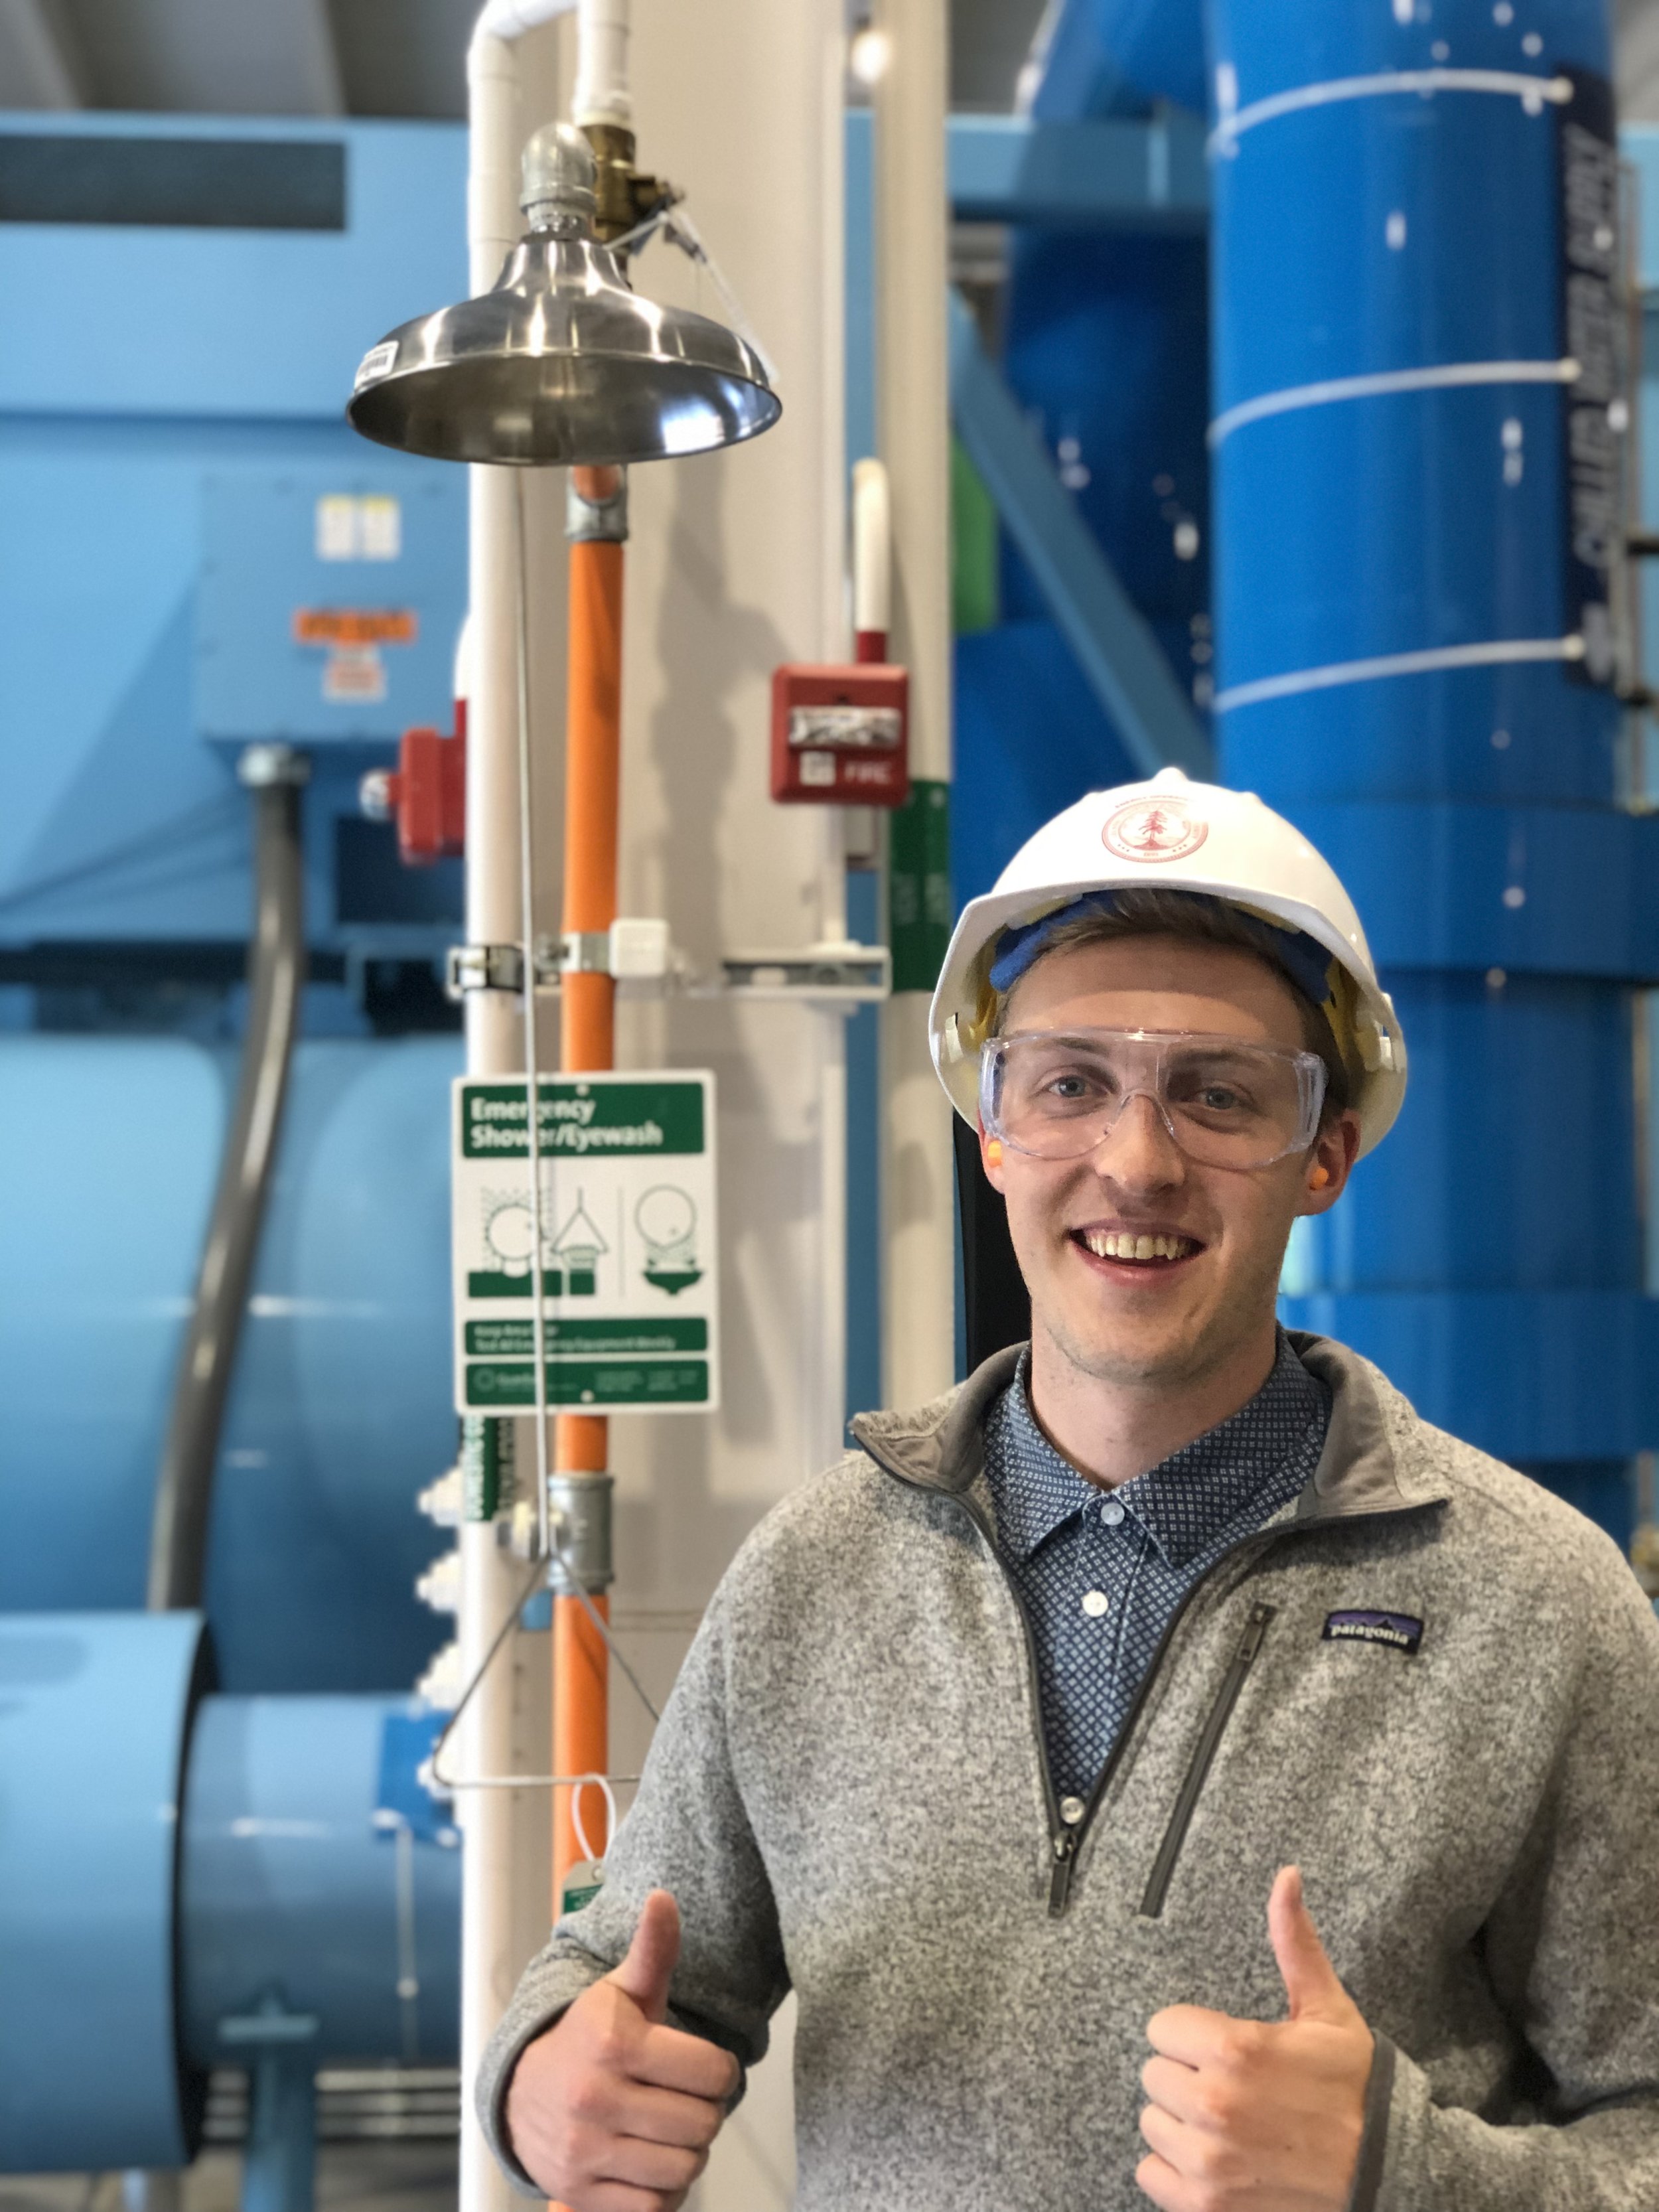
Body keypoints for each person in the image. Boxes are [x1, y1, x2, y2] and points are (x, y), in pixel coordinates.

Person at [478, 770, 1659, 2211]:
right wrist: (540, 2076)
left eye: (1218, 1095)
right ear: (990, 1132)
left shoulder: (1537, 1608)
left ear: (1324, 1157)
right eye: (1067, 1084)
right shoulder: (818, 1569)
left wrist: (1403, 2177)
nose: (1135, 1157)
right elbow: (625, 1967)